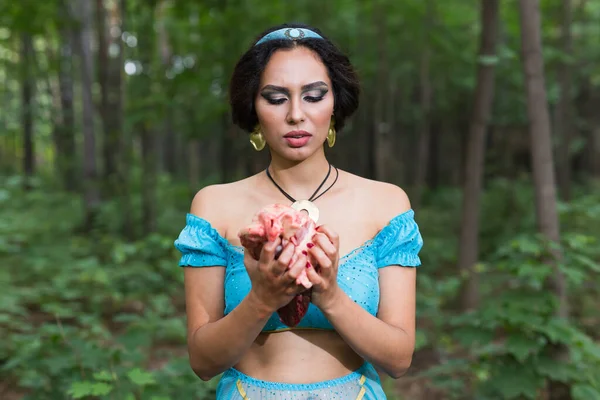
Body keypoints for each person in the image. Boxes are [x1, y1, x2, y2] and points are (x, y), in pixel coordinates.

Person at [174, 23, 423, 399]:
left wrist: (331, 296)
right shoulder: (214, 205)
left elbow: (399, 360)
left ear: (335, 102)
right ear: (253, 108)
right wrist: (262, 298)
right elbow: (203, 362)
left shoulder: (387, 204)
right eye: (276, 98)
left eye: (314, 95)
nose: (296, 115)